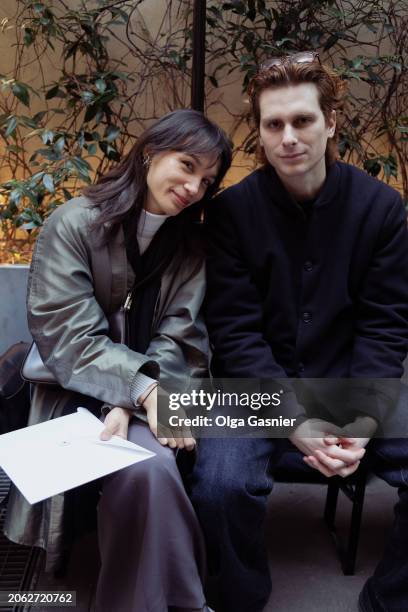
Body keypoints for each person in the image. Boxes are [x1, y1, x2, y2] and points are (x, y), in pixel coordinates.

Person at [190, 53, 408, 612]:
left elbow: (385, 326)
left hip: (349, 386)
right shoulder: (232, 211)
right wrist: (292, 417)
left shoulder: (382, 209)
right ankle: (239, 597)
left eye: (302, 121)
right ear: (260, 134)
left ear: (330, 122)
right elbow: (234, 332)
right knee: (217, 489)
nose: (288, 137)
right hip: (252, 391)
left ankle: (388, 599)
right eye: (273, 124)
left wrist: (360, 420)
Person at [4, 109, 231, 612]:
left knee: (147, 467)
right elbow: (68, 336)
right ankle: (182, 601)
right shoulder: (73, 224)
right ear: (150, 152)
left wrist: (136, 399)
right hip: (70, 388)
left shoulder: (188, 246)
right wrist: (139, 390)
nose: (194, 186)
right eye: (187, 164)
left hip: (156, 389)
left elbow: (182, 338)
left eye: (207, 179)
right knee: (148, 468)